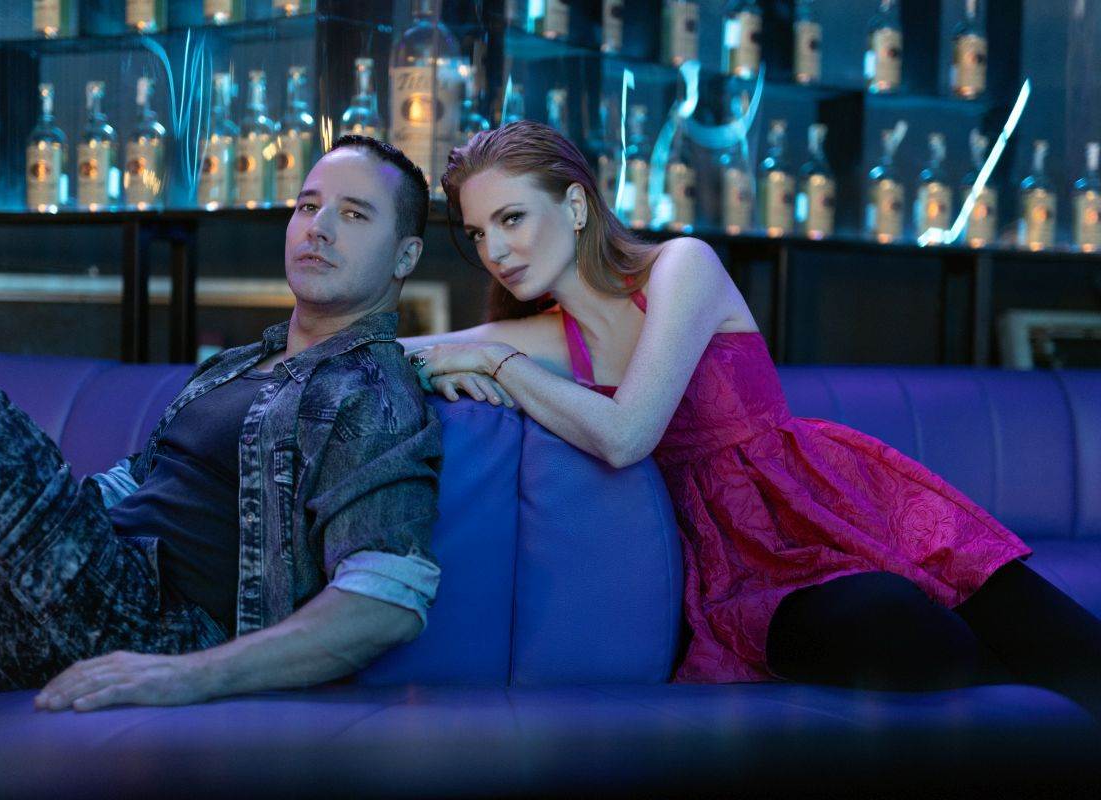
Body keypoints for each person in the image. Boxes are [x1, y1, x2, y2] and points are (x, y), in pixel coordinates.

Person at [402, 120, 1101, 717]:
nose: (494, 252)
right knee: (903, 631)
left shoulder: (682, 267)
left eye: (512, 219)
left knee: (1076, 655)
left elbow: (626, 435)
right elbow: (388, 352)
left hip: (835, 501)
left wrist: (497, 364)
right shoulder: (544, 339)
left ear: (577, 206)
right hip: (735, 566)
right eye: (477, 232)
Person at [0, 135, 442, 712]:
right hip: (74, 583)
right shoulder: (233, 365)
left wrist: (188, 675)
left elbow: (385, 600)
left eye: (354, 214)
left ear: (405, 257)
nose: (319, 228)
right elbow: (135, 481)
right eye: (308, 206)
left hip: (149, 621)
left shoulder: (371, 391)